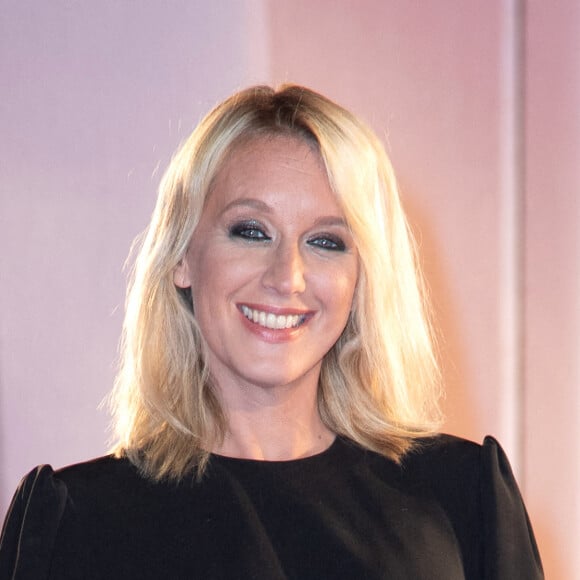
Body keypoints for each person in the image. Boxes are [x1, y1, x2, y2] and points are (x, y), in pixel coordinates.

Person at [0, 85, 542, 579]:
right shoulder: (78, 520)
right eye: (251, 231)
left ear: (363, 278)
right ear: (182, 256)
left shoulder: (461, 496)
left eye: (327, 242)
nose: (288, 278)